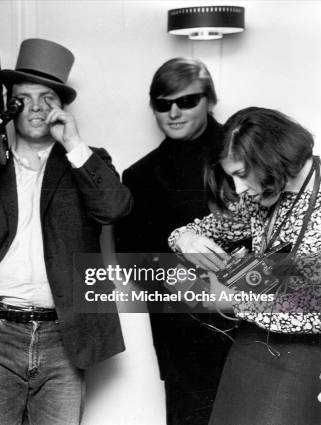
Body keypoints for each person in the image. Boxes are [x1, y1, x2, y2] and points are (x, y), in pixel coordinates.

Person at [0, 38, 132, 425]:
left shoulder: (88, 160)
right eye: (25, 98)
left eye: (48, 98)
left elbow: (115, 208)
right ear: (9, 105)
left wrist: (72, 142)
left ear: (62, 107)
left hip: (64, 336)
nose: (37, 108)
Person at [169, 107, 321, 425]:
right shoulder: (263, 194)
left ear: (272, 158)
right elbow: (198, 233)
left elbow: (303, 301)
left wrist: (220, 284)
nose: (238, 189)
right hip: (252, 344)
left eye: (241, 174)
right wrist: (186, 239)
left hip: (305, 354)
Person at [115, 57, 234, 424]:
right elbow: (132, 261)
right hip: (182, 336)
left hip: (255, 327)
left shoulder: (245, 157)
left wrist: (232, 289)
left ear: (210, 101)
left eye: (187, 101)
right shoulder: (139, 176)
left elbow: (277, 238)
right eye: (163, 104)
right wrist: (187, 285)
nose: (174, 113)